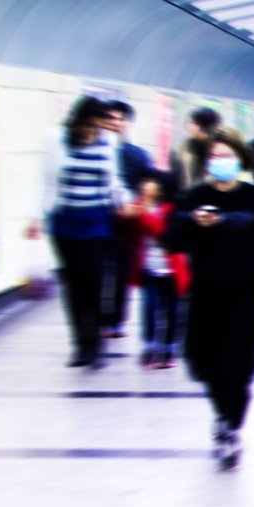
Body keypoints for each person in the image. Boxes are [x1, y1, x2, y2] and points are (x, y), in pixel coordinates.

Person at [164, 130, 254, 469]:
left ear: (240, 157)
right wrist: (192, 221)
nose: (221, 162)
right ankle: (222, 416)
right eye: (215, 156)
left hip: (246, 294)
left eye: (227, 155)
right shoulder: (196, 196)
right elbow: (171, 241)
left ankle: (231, 425)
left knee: (239, 365)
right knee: (209, 364)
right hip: (205, 295)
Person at [28, 95, 130, 370]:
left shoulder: (108, 141)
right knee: (73, 285)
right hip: (65, 222)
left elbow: (113, 179)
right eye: (88, 124)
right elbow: (46, 182)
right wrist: (36, 217)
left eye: (97, 125)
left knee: (94, 282)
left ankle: (96, 343)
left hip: (97, 221)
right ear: (78, 120)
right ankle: (81, 345)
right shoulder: (56, 138)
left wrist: (125, 201)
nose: (93, 130)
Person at [100, 100, 161, 340]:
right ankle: (100, 318)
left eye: (119, 119)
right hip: (99, 219)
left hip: (128, 223)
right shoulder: (94, 151)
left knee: (123, 271)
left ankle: (115, 320)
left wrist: (139, 208)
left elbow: (149, 186)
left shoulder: (137, 155)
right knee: (98, 271)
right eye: (110, 119)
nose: (115, 124)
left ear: (128, 123)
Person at [134, 177, 187, 370]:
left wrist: (146, 214)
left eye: (150, 191)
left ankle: (169, 348)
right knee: (149, 309)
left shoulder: (171, 210)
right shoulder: (141, 207)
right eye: (143, 191)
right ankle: (150, 348)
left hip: (171, 271)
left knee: (172, 312)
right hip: (149, 269)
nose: (146, 194)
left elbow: (164, 235)